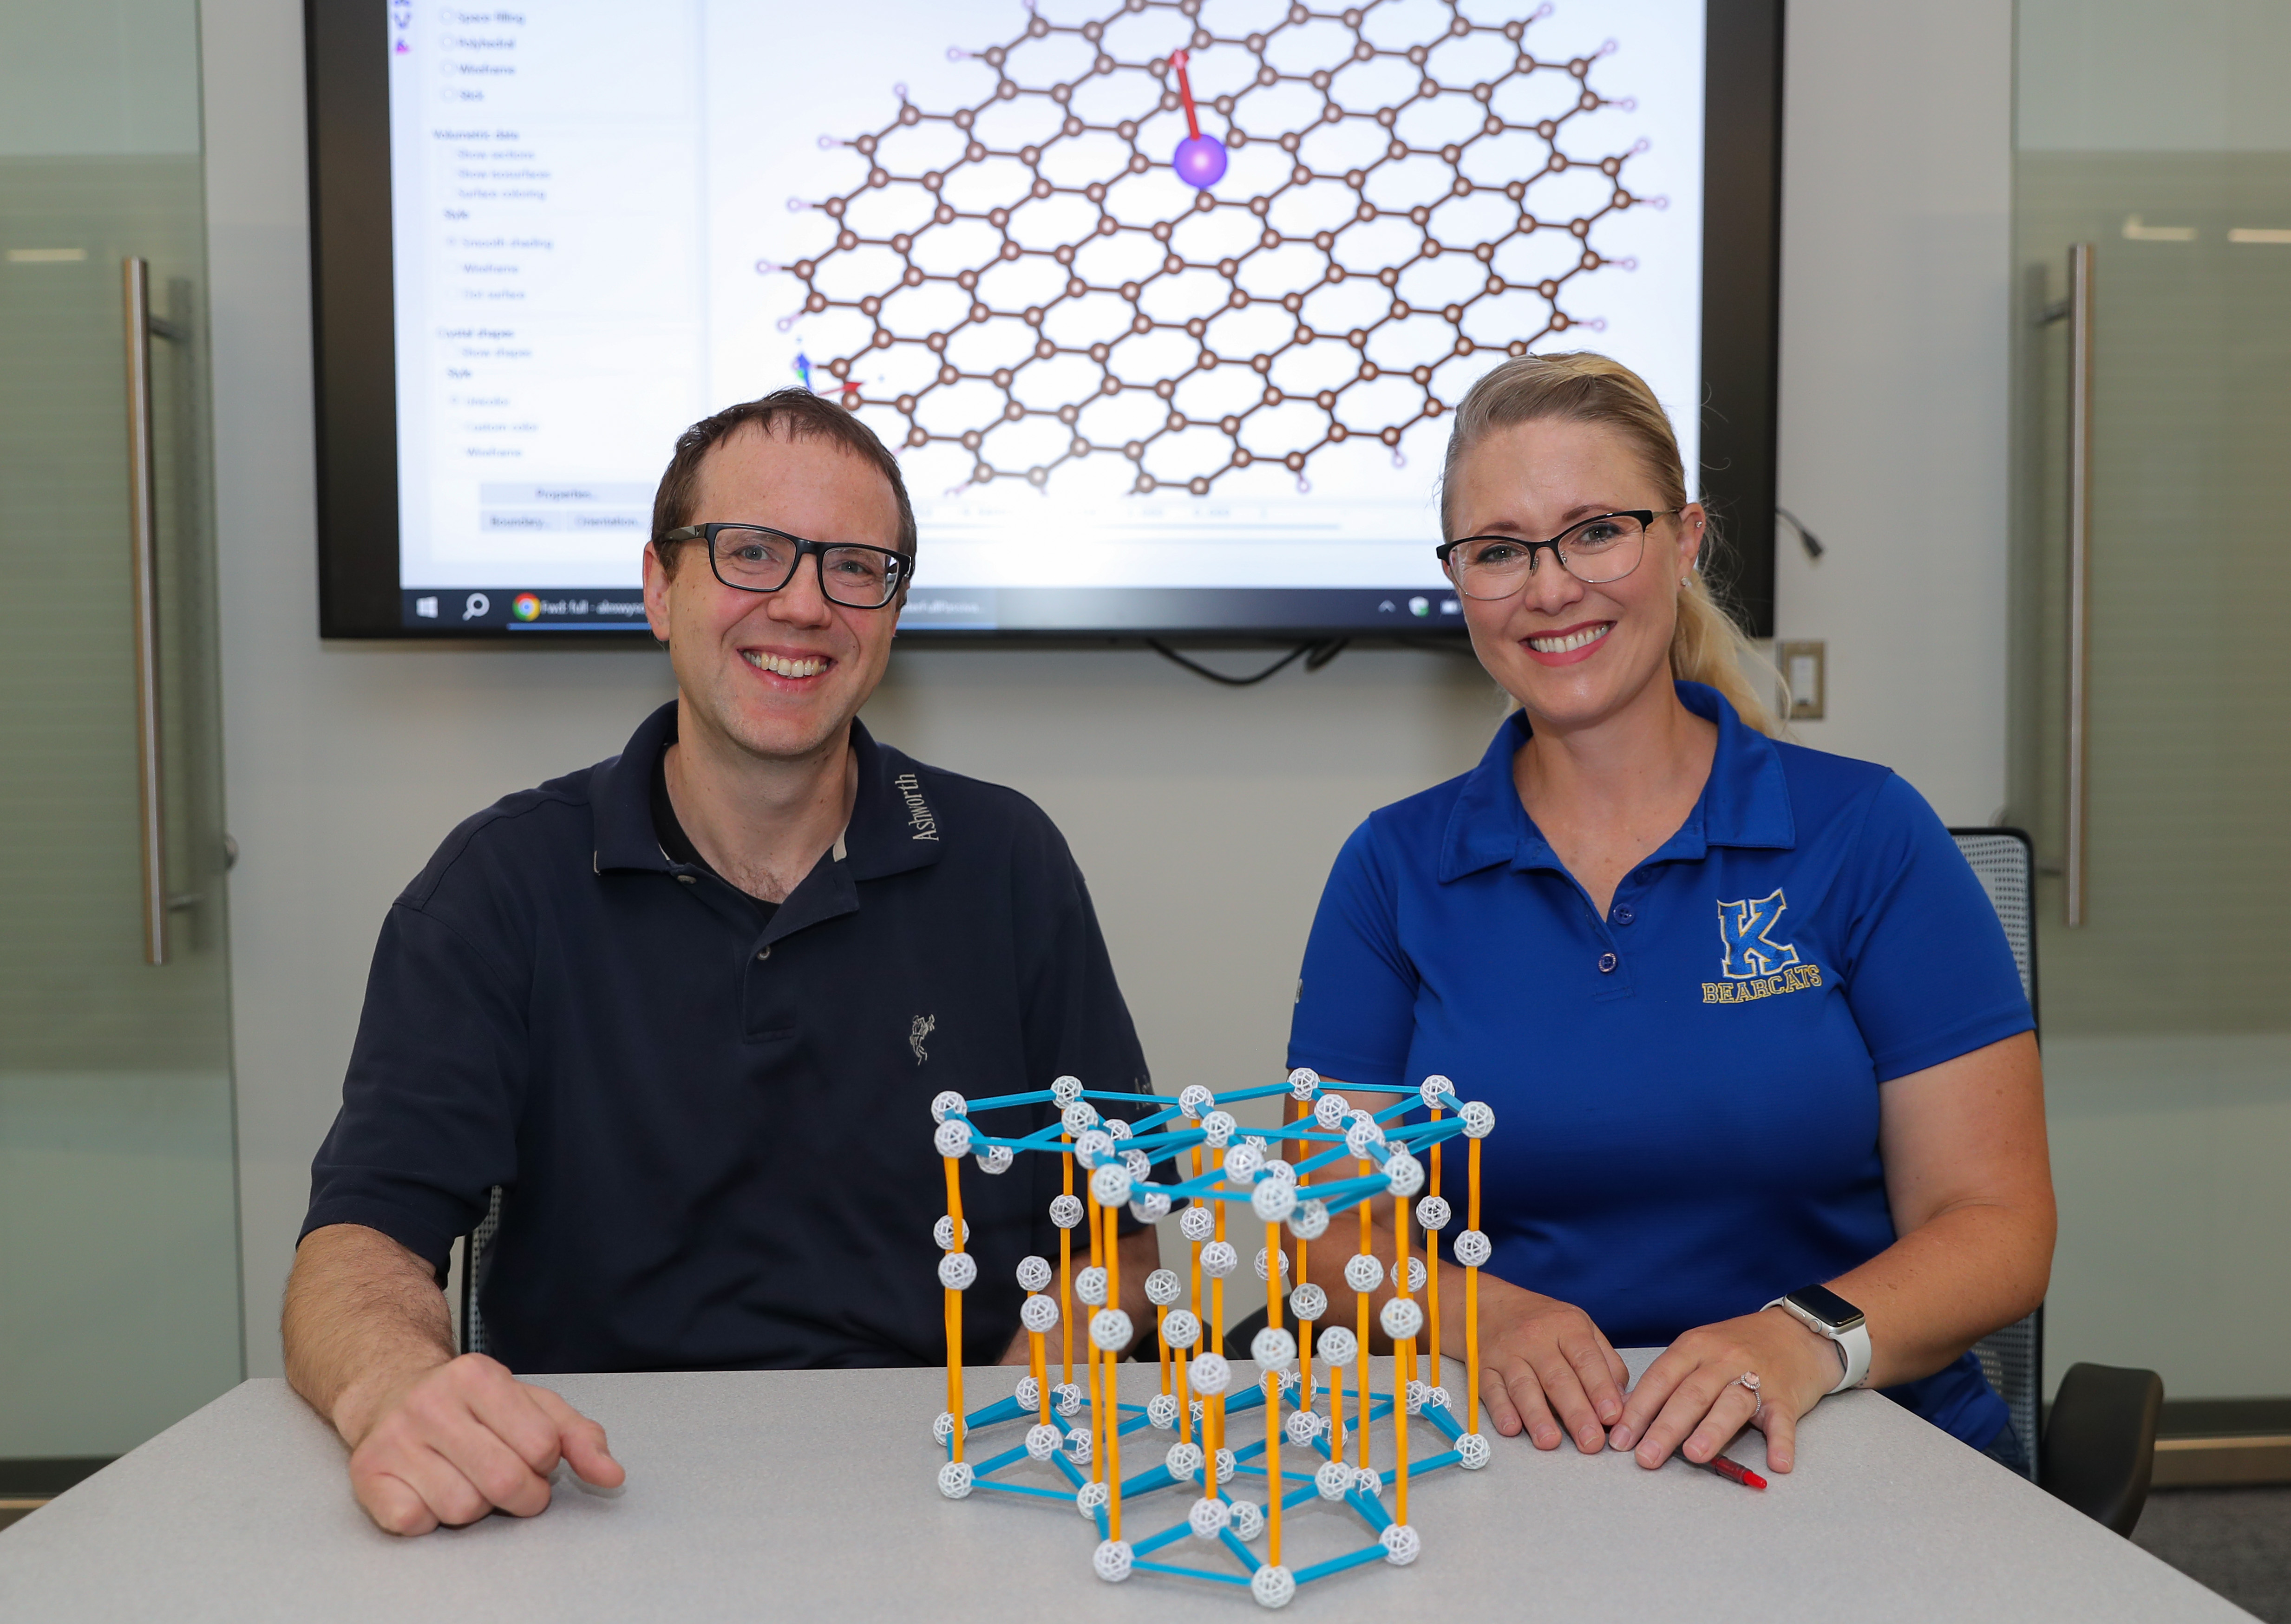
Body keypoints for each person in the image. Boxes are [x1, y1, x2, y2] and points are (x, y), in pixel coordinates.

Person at [285, 391, 1160, 1535]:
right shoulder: (500, 887)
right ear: (660, 586)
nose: (802, 604)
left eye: (855, 567)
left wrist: (1020, 1415)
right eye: (749, 553)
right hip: (587, 1489)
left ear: (891, 614)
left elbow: (1127, 1233)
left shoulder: (1007, 862)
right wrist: (395, 1387)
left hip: (970, 1473)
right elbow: (358, 1244)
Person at [1286, 353, 2055, 1477]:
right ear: (1459, 580)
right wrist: (1479, 1317)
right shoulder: (1393, 870)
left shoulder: (1870, 833)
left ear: (1686, 540)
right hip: (1528, 1460)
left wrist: (1801, 1338)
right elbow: (1325, 1231)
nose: (1549, 588)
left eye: (1598, 531)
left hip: (1857, 1443)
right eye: (1499, 551)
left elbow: (1997, 1226)